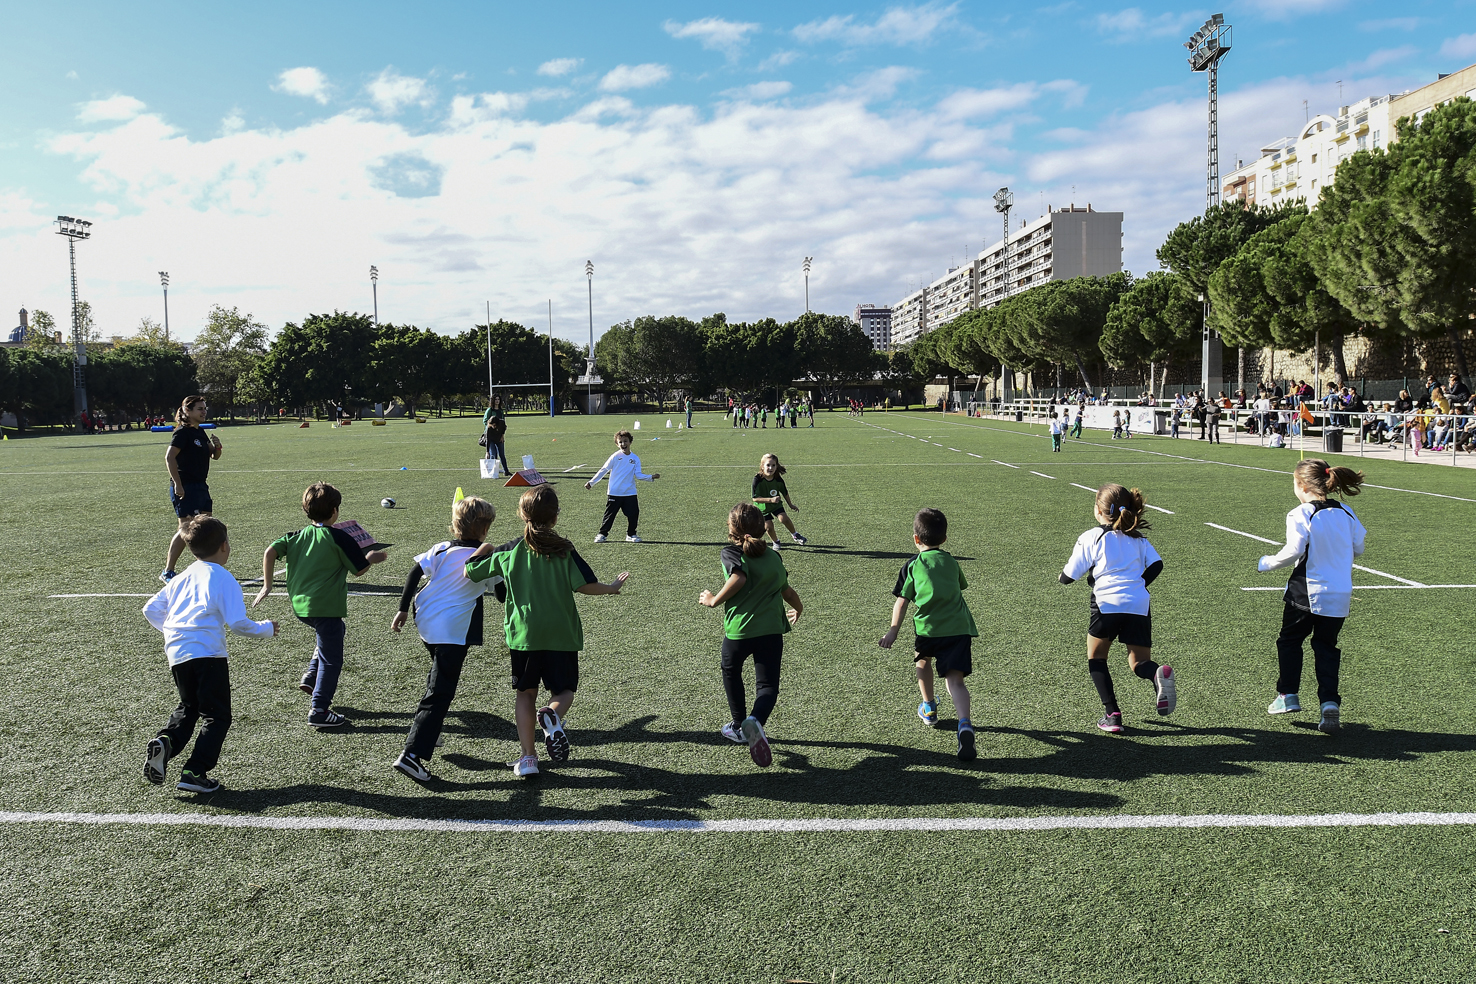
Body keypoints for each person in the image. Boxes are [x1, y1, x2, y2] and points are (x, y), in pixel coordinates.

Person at [465, 486, 629, 777]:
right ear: (555, 517)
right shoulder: (564, 549)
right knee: (564, 691)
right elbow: (585, 585)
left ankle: (528, 758)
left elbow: (470, 571)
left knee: (525, 694)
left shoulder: (508, 551)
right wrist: (611, 588)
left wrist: (484, 548)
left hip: (524, 636)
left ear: (522, 514)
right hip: (561, 635)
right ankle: (552, 713)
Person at [143, 517, 276, 794]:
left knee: (189, 707)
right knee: (217, 716)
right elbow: (237, 623)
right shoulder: (223, 577)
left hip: (177, 652)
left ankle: (166, 741)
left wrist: (175, 632)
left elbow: (150, 609)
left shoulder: (181, 577)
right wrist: (265, 628)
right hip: (208, 654)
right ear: (224, 545)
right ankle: (194, 772)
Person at [252, 482, 389, 728]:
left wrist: (267, 585)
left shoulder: (294, 536)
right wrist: (372, 558)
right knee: (332, 659)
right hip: (326, 607)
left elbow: (270, 551)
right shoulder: (339, 537)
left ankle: (311, 676)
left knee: (332, 635)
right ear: (335, 511)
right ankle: (319, 710)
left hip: (300, 607)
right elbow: (359, 570)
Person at [389, 496, 499, 782]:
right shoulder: (486, 558)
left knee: (437, 678)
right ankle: (412, 754)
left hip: (425, 618)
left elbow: (415, 572)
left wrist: (402, 609)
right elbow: (501, 594)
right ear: (484, 529)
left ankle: (430, 730)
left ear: (455, 525)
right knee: (440, 692)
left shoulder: (441, 548)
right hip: (452, 630)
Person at [1258, 459, 1367, 734]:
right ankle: (1329, 703)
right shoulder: (1347, 511)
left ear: (1302, 485)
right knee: (1326, 647)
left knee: (1290, 640)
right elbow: (1359, 547)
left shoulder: (1301, 513)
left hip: (1306, 590)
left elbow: (1294, 550)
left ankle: (1288, 695)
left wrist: (1267, 562)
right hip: (1340, 594)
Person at [1059, 484, 1173, 733]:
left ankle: (1112, 715)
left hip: (1106, 604)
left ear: (1099, 511)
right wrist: (1138, 584)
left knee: (1097, 658)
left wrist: (1061, 577)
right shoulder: (1137, 538)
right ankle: (1155, 673)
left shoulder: (1093, 536)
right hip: (1139, 603)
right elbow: (1157, 564)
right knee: (1139, 662)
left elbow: (1069, 576)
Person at [698, 502, 803, 768]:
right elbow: (787, 591)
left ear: (731, 529)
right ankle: (755, 721)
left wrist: (713, 600)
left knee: (731, 671)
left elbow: (739, 578)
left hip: (740, 631)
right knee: (767, 686)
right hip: (771, 630)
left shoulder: (731, 553)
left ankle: (738, 725)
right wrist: (799, 608)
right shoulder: (774, 557)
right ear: (763, 528)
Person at [879, 508, 978, 761]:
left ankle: (930, 708)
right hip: (959, 628)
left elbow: (902, 601)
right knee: (956, 681)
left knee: (922, 662)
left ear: (916, 539)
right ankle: (965, 724)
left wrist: (893, 631)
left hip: (929, 629)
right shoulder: (952, 562)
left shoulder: (913, 565)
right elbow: (960, 586)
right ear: (944, 539)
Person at [162, 396, 223, 583]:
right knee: (186, 528)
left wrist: (218, 447)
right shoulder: (182, 433)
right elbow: (169, 457)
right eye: (200, 409)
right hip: (186, 486)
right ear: (187, 411)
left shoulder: (200, 432)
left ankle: (204, 567)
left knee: (205, 527)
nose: (204, 412)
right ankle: (168, 571)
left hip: (201, 485)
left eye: (205, 408)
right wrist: (178, 484)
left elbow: (214, 456)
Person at [586, 429, 659, 543]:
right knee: (610, 515)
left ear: (630, 442)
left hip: (630, 492)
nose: (623, 444)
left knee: (633, 514)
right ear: (617, 444)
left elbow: (638, 475)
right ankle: (602, 534)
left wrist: (651, 477)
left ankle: (631, 534)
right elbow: (604, 470)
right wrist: (591, 482)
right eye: (620, 442)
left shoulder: (635, 458)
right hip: (615, 492)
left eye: (625, 441)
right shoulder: (615, 457)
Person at [752, 453, 807, 548]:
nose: (771, 468)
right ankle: (776, 542)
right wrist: (771, 500)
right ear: (762, 466)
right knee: (768, 527)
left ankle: (795, 534)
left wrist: (790, 504)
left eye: (773, 465)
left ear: (776, 466)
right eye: (768, 465)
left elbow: (784, 492)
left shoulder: (778, 479)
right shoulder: (757, 479)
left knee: (784, 518)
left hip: (775, 505)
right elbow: (755, 498)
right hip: (762, 508)